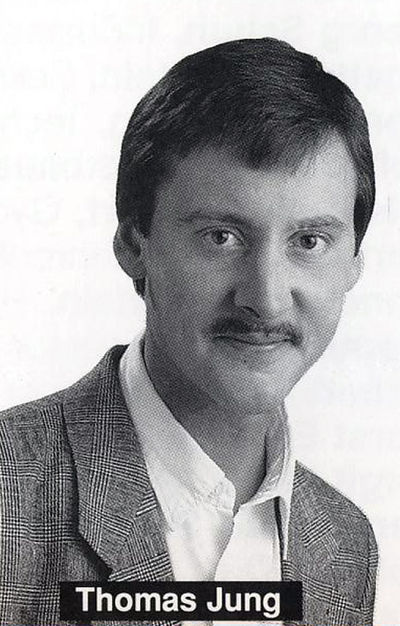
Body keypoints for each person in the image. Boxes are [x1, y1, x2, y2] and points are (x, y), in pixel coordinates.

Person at [0, 37, 378, 626]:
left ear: (354, 262)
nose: (265, 298)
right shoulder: (9, 492)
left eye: (309, 241)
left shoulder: (345, 545)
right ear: (134, 245)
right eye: (222, 237)